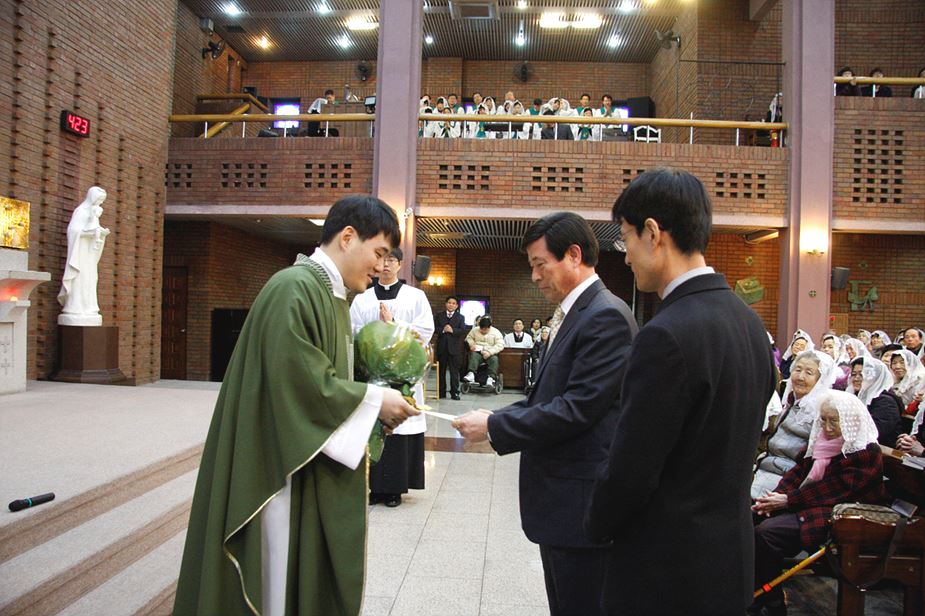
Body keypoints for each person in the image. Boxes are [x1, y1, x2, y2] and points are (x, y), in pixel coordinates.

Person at [173, 196, 417, 616]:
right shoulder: (294, 288)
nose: (381, 267)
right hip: (274, 466)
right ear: (347, 237)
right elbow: (299, 385)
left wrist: (374, 403)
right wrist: (375, 402)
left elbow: (326, 377)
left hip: (300, 453)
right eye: (378, 253)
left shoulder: (332, 294)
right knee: (274, 577)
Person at [584, 168, 776, 616]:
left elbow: (632, 470)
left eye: (625, 239)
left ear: (653, 233)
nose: (626, 257)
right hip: (728, 561)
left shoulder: (666, 334)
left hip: (667, 571)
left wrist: (594, 522)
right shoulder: (749, 322)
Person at [454, 211, 636, 616]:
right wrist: (495, 418)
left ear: (574, 255)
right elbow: (549, 396)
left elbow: (577, 409)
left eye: (540, 264)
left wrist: (495, 425)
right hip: (563, 504)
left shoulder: (604, 315)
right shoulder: (579, 312)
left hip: (581, 505)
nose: (535, 276)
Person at [750, 391, 887, 615]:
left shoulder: (865, 450)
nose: (827, 427)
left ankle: (772, 601)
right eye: (823, 420)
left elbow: (836, 489)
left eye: (834, 421)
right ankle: (755, 591)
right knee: (752, 517)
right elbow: (798, 473)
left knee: (767, 534)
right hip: (811, 504)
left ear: (850, 420)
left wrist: (787, 500)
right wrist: (775, 497)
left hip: (843, 514)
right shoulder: (821, 441)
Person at [349, 247, 434, 508]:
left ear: (399, 264)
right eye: (382, 259)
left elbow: (425, 331)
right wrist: (374, 334)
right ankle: (374, 488)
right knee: (373, 428)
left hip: (402, 375)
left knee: (399, 429)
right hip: (373, 375)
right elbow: (352, 331)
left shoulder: (415, 296)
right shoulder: (362, 298)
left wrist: (394, 322)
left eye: (392, 260)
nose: (386, 265)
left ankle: (395, 489)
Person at [753, 350, 837, 499]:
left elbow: (813, 461)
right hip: (765, 467)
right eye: (797, 370)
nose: (800, 377)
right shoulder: (792, 402)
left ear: (820, 380)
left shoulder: (820, 411)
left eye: (809, 373)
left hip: (788, 478)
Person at [58, 186, 111, 325]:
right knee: (79, 279)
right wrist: (90, 233)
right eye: (99, 200)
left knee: (91, 279)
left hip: (89, 255)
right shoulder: (81, 211)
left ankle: (89, 308)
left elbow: (94, 230)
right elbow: (73, 231)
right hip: (79, 254)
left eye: (102, 201)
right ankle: (74, 308)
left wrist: (101, 234)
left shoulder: (94, 213)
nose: (100, 203)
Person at [846, 357, 902, 446]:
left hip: (879, 449)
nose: (856, 378)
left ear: (875, 377)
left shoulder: (886, 402)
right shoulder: (855, 395)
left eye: (862, 375)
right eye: (853, 374)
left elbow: (875, 432)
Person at [434, 295, 466, 400]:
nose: (451, 305)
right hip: (442, 347)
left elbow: (462, 330)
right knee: (441, 371)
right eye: (449, 303)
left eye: (453, 303)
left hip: (454, 348)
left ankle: (455, 393)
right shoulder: (439, 315)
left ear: (456, 306)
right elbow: (434, 328)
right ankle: (441, 392)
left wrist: (452, 330)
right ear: (445, 304)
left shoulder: (460, 317)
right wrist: (443, 329)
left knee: (454, 372)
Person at [463, 316, 505, 387]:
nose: (483, 331)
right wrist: (471, 344)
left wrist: (489, 352)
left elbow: (500, 345)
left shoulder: (496, 332)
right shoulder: (475, 330)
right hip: (478, 352)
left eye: (485, 329)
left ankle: (491, 378)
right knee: (473, 355)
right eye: (481, 329)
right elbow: (469, 338)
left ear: (489, 327)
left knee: (494, 359)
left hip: (490, 353)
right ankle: (471, 374)